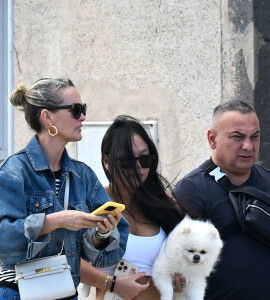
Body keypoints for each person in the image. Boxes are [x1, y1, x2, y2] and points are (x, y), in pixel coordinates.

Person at [0, 78, 129, 300]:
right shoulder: (14, 171)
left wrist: (103, 233)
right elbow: (4, 240)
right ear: (47, 116)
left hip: (65, 294)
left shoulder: (83, 176)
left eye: (83, 109)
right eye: (75, 110)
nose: (83, 117)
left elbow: (107, 256)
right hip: (18, 294)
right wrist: (55, 221)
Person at [173, 100, 270, 300]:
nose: (248, 146)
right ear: (212, 139)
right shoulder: (191, 191)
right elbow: (177, 271)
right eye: (237, 137)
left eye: (254, 137)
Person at [79, 115, 184, 300]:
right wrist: (113, 284)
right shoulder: (92, 203)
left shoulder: (165, 203)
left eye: (144, 160)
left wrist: (180, 269)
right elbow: (69, 261)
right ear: (107, 162)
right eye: (127, 161)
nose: (138, 168)